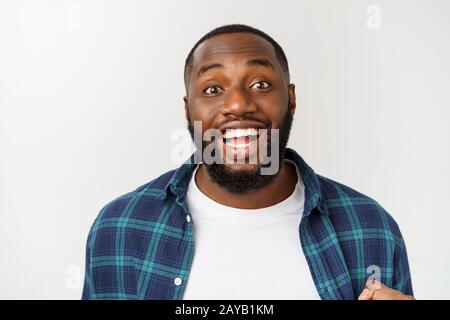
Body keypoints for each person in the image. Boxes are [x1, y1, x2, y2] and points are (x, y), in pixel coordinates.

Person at [82, 24, 414, 300]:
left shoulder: (371, 226)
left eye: (260, 84)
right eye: (212, 89)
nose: (238, 104)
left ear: (291, 98)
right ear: (188, 108)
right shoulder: (119, 228)